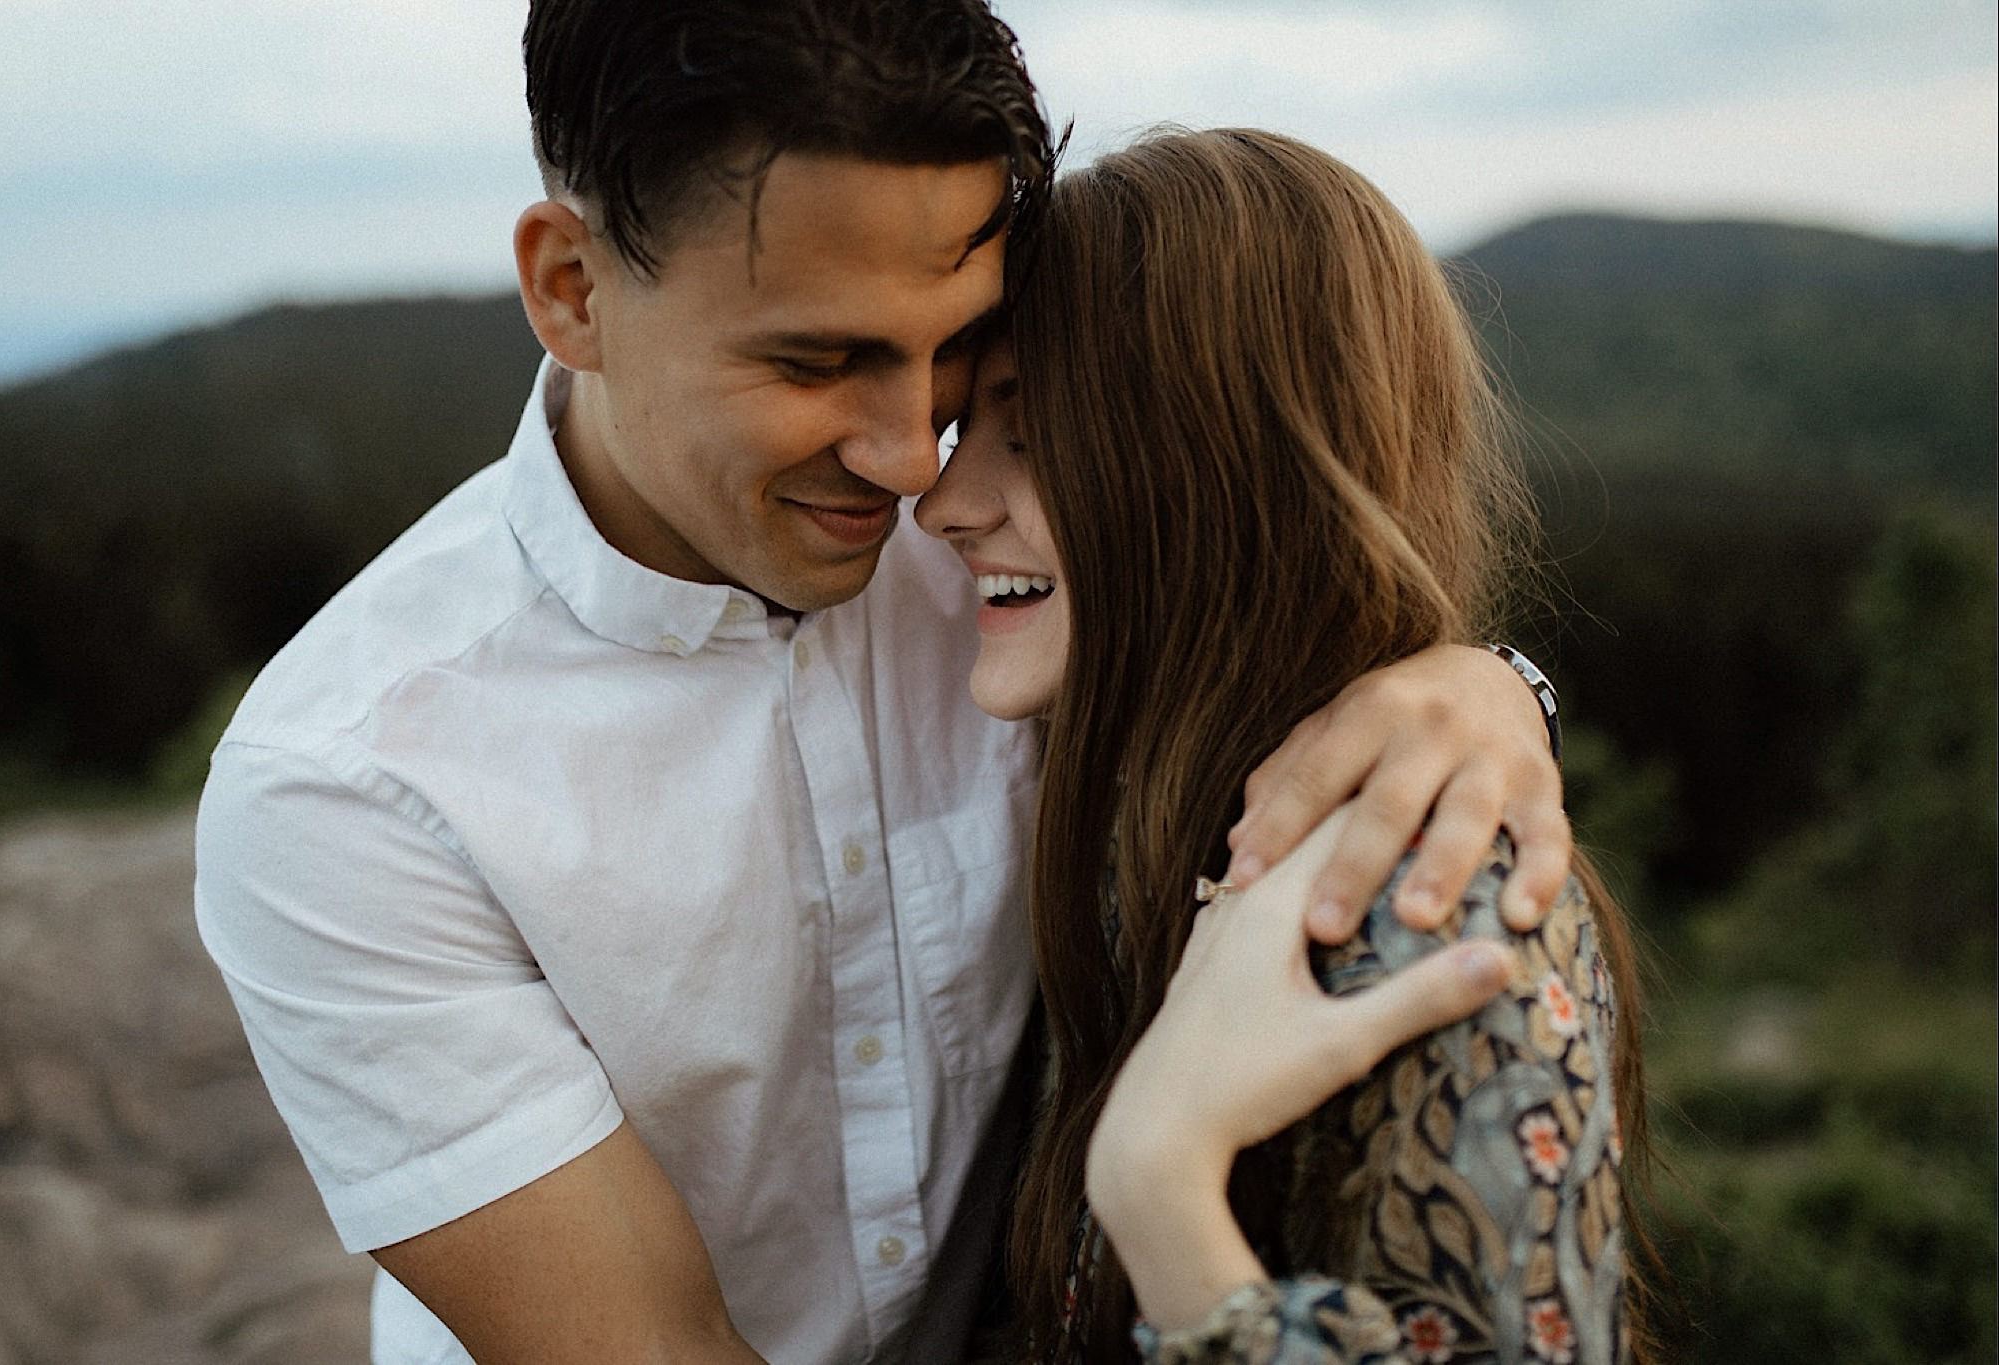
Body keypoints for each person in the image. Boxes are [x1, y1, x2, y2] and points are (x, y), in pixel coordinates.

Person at [193, 6, 1572, 1362]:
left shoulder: (1003, 553)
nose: (915, 460)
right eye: (818, 361)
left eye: (956, 347)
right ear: (573, 288)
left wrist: (1464, 683)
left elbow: (1249, 616)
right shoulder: (352, 784)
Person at [914, 127, 1645, 1362]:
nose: (940, 507)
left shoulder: (1423, 907)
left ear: (1219, 469)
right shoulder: (1121, 800)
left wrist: (1159, 1188)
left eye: (1029, 437)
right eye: (956, 434)